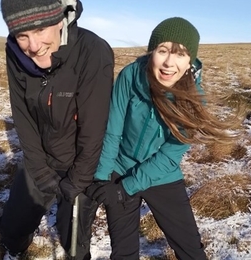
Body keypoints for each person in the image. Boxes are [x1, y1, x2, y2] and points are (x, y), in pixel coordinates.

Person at [86, 17, 237, 259]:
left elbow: (169, 156)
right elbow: (112, 131)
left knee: (191, 250)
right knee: (123, 253)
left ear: (190, 61)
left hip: (161, 175)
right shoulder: (130, 76)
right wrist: (103, 178)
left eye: (180, 54)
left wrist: (126, 188)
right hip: (121, 167)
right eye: (163, 50)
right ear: (152, 51)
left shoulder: (192, 98)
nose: (169, 63)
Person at [0, 0, 114, 259]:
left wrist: (76, 182)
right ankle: (13, 249)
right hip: (42, 157)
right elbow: (23, 116)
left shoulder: (92, 50)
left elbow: (93, 130)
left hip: (81, 163)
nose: (34, 46)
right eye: (22, 35)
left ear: (59, 19)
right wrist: (39, 170)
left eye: (40, 30)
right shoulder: (15, 53)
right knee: (12, 226)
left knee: (73, 240)